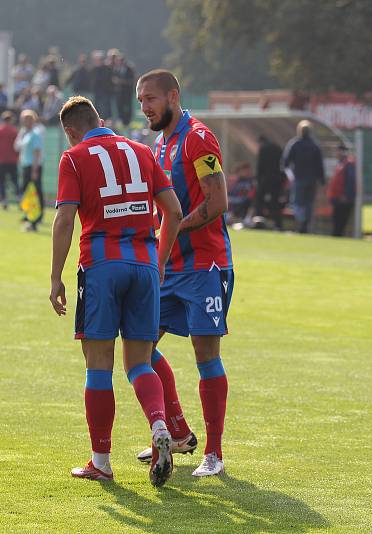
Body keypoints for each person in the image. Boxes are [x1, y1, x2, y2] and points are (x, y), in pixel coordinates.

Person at [50, 95, 183, 485]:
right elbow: (173, 211)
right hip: (144, 265)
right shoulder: (143, 151)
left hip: (101, 266)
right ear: (101, 119)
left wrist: (56, 276)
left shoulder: (74, 158)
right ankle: (160, 426)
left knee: (98, 368)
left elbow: (64, 220)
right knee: (140, 363)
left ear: (72, 132)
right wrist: (158, 262)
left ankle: (101, 462)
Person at [135, 69, 233, 477]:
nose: (145, 108)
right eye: (141, 101)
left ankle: (214, 453)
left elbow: (218, 201)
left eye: (151, 99)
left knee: (205, 355)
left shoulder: (198, 138)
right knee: (138, 345)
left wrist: (170, 227)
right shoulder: (159, 144)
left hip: (205, 266)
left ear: (173, 96)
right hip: (168, 266)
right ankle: (176, 431)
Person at [281, 120, 325, 233]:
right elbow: (320, 165)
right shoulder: (315, 145)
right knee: (309, 203)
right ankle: (306, 224)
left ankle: (301, 224)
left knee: (297, 202)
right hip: (312, 180)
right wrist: (322, 180)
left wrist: (290, 175)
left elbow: (285, 162)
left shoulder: (294, 144)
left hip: (299, 178)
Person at [14, 110, 44, 231]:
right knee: (27, 193)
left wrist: (34, 170)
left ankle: (35, 220)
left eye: (27, 119)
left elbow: (37, 153)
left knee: (34, 194)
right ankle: (29, 216)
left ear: (32, 120)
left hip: (33, 167)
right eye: (23, 119)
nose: (24, 121)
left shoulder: (35, 134)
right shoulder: (25, 133)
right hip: (26, 167)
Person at [0, 111, 20, 209]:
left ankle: (4, 200)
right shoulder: (15, 131)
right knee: (15, 181)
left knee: (1, 181)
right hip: (12, 160)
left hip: (1, 161)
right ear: (11, 119)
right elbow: (18, 146)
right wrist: (17, 156)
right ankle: (18, 198)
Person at [254, 135, 285, 230]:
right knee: (275, 202)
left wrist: (258, 179)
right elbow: (282, 164)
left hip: (265, 179)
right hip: (276, 179)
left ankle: (259, 222)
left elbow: (260, 165)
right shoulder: (277, 147)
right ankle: (278, 224)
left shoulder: (263, 148)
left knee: (259, 200)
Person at [327, 143, 357, 237]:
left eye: (336, 151)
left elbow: (350, 181)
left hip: (343, 199)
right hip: (338, 198)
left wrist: (346, 195)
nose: (335, 153)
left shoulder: (348, 164)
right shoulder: (341, 163)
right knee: (337, 223)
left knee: (340, 223)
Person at [112, 53, 135, 127]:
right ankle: (122, 120)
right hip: (119, 93)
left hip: (127, 92)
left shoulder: (129, 69)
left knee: (128, 106)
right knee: (119, 106)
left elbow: (132, 81)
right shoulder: (116, 69)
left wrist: (121, 81)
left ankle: (128, 121)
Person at [91, 51, 113, 121]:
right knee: (98, 110)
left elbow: (106, 80)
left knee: (105, 111)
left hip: (105, 93)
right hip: (97, 93)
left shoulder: (107, 69)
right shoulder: (94, 69)